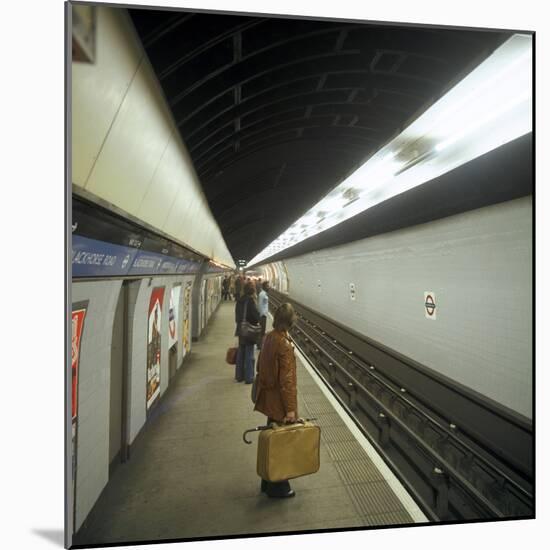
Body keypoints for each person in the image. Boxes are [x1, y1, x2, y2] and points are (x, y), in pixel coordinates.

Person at [253, 303, 298, 498]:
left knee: (272, 440)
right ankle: (278, 487)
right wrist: (290, 410)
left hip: (268, 397)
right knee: (280, 444)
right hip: (279, 401)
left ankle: (266, 482)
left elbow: (259, 365)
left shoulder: (268, 338)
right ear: (290, 321)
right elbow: (287, 382)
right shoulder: (284, 344)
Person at [234, 281, 261, 384]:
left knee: (241, 352)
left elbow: (237, 316)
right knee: (249, 353)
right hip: (248, 330)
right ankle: (249, 377)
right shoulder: (250, 301)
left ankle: (239, 376)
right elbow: (255, 316)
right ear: (252, 290)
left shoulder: (239, 300)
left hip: (240, 329)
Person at [257, 281, 269, 350]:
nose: (268, 287)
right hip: (262, 315)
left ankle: (260, 344)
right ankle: (259, 345)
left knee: (262, 331)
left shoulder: (264, 294)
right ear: (264, 286)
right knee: (261, 331)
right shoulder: (262, 294)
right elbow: (260, 305)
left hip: (264, 315)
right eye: (267, 286)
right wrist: (261, 315)